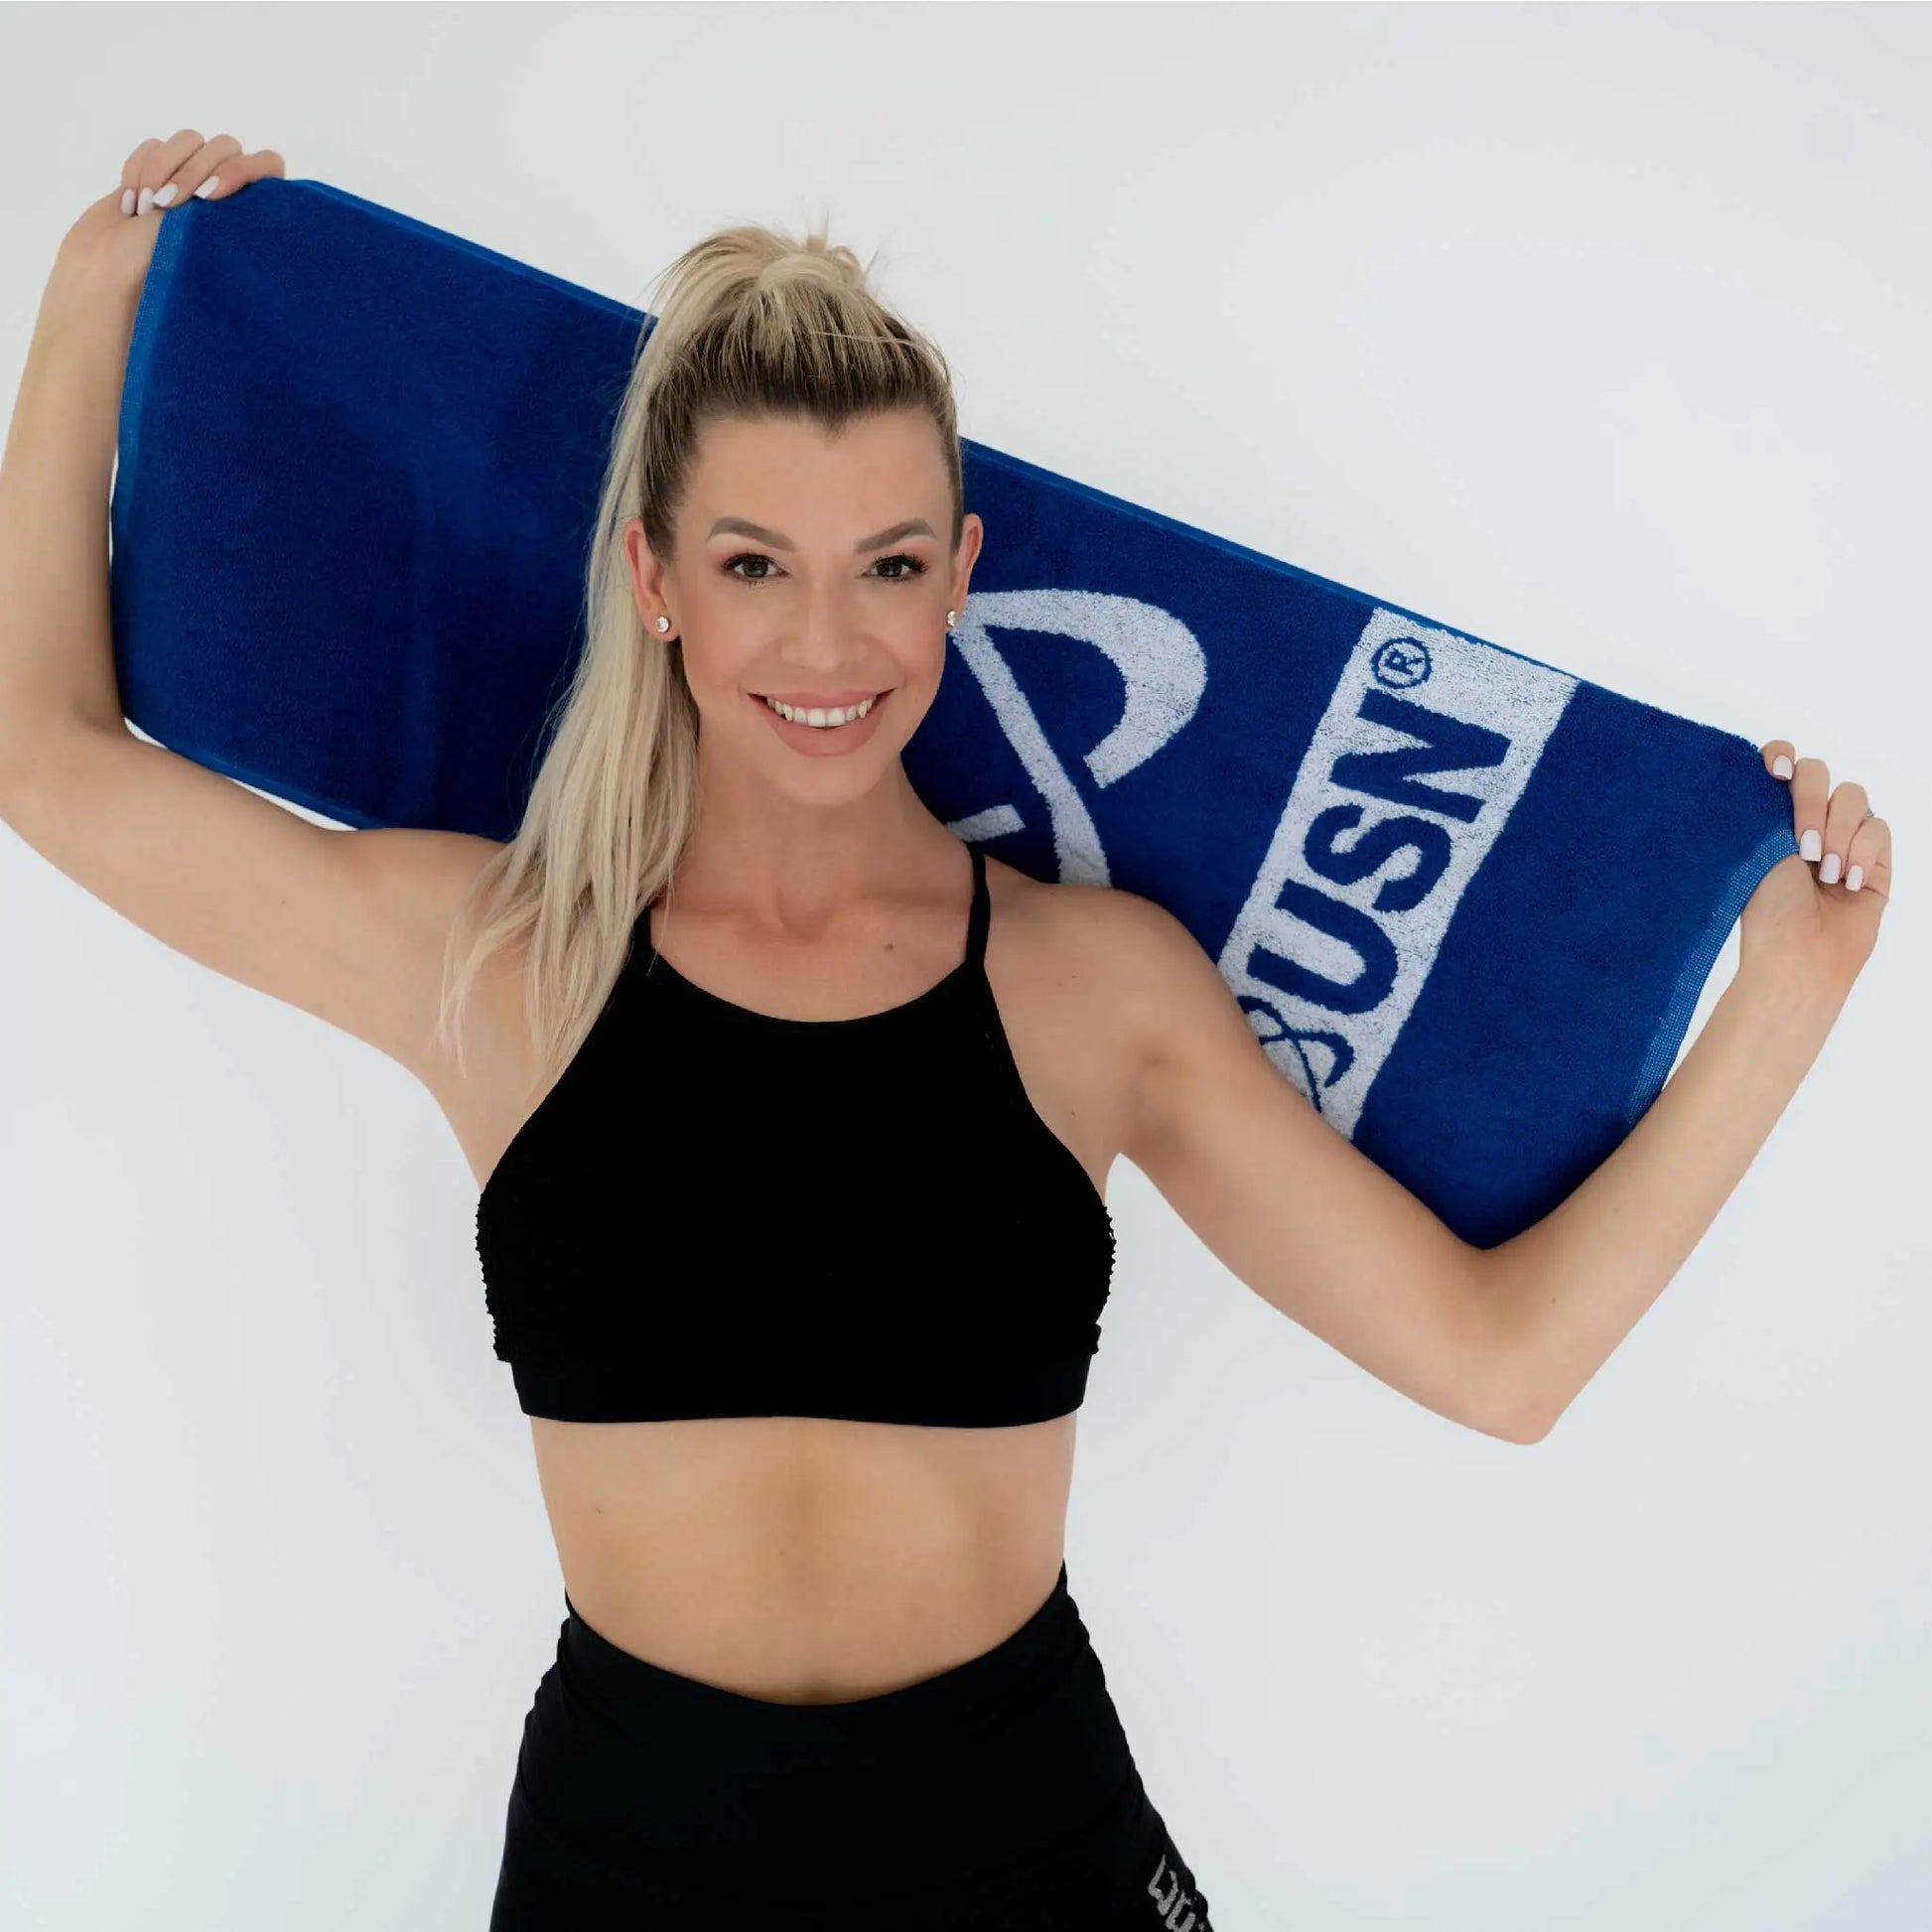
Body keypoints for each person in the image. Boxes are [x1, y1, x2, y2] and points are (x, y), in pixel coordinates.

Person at [0, 129, 1891, 1930]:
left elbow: (1498, 1360)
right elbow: (45, 758)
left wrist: (1786, 997)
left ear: (962, 570)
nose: (828, 648)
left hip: (1024, 1848)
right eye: (756, 564)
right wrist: (96, 295)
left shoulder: (1096, 985)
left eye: (887, 565)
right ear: (654, 580)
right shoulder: (500, 959)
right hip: (626, 1860)